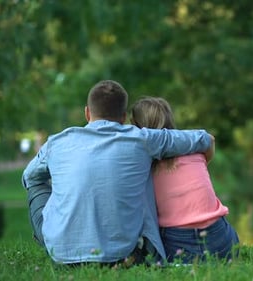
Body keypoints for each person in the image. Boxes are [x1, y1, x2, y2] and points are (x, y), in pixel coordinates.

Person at [22, 80, 214, 267]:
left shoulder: (57, 142)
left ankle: (64, 238)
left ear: (87, 113)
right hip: (125, 256)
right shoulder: (142, 139)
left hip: (61, 256)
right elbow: (203, 139)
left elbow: (29, 176)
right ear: (123, 117)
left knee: (35, 183)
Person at [131, 97, 239, 264]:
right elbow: (210, 142)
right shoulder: (196, 152)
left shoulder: (146, 166)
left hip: (179, 242)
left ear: (135, 125)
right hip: (222, 239)